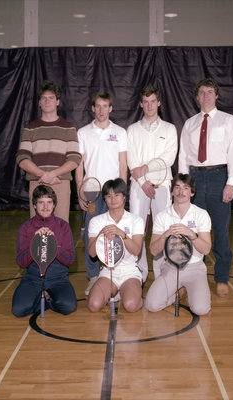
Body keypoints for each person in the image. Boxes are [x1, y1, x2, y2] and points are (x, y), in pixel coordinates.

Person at [178, 78, 233, 297]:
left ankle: (221, 278)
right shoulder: (190, 124)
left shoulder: (228, 121)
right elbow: (183, 155)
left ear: (217, 96)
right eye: (202, 92)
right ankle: (192, 278)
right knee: (193, 231)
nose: (206, 95)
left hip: (218, 177)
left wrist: (230, 183)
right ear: (197, 97)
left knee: (221, 232)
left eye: (210, 92)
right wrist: (184, 185)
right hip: (194, 178)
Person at [75, 91, 127, 295]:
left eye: (106, 106)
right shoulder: (83, 133)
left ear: (111, 108)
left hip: (113, 191)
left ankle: (117, 276)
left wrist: (122, 191)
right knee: (93, 235)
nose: (102, 110)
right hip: (93, 193)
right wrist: (80, 192)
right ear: (92, 108)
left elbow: (123, 165)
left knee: (116, 234)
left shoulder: (121, 133)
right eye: (98, 106)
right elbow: (78, 167)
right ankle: (94, 277)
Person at [127, 85, 178, 282]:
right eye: (145, 102)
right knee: (138, 229)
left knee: (161, 229)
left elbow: (169, 158)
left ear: (159, 103)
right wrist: (143, 182)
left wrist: (146, 168)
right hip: (139, 188)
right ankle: (140, 273)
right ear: (141, 104)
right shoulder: (132, 130)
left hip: (163, 186)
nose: (149, 105)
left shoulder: (170, 129)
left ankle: (161, 273)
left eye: (153, 101)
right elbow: (132, 161)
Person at [145, 173, 212, 316]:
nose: (181, 192)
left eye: (186, 188)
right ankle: (178, 291)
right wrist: (165, 235)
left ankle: (188, 289)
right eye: (177, 187)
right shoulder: (162, 216)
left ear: (192, 192)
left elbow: (206, 249)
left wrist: (191, 234)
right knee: (151, 305)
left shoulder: (201, 214)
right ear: (172, 191)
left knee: (200, 310)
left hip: (195, 269)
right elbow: (153, 250)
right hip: (170, 268)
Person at [16, 80, 81, 223]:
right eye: (43, 98)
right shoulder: (30, 128)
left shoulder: (68, 128)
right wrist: (42, 175)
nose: (47, 101)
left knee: (61, 226)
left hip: (60, 183)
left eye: (51, 98)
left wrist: (52, 174)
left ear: (57, 101)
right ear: (39, 102)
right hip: (37, 182)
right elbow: (22, 158)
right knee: (38, 229)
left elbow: (75, 159)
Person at [12, 185, 77, 317]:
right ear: (34, 205)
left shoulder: (63, 226)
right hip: (33, 278)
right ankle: (39, 297)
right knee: (18, 310)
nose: (45, 207)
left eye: (49, 202)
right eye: (41, 203)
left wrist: (54, 244)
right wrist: (34, 243)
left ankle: (48, 300)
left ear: (54, 205)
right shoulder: (25, 228)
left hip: (58, 278)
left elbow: (70, 260)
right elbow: (21, 263)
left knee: (69, 306)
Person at [87, 178, 144, 313]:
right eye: (109, 196)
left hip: (129, 271)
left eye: (117, 195)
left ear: (124, 197)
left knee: (130, 305)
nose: (113, 199)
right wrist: (101, 234)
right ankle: (114, 292)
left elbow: (136, 250)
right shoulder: (97, 221)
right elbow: (92, 253)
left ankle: (132, 294)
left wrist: (122, 234)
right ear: (105, 199)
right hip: (108, 271)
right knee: (93, 305)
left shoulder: (136, 220)